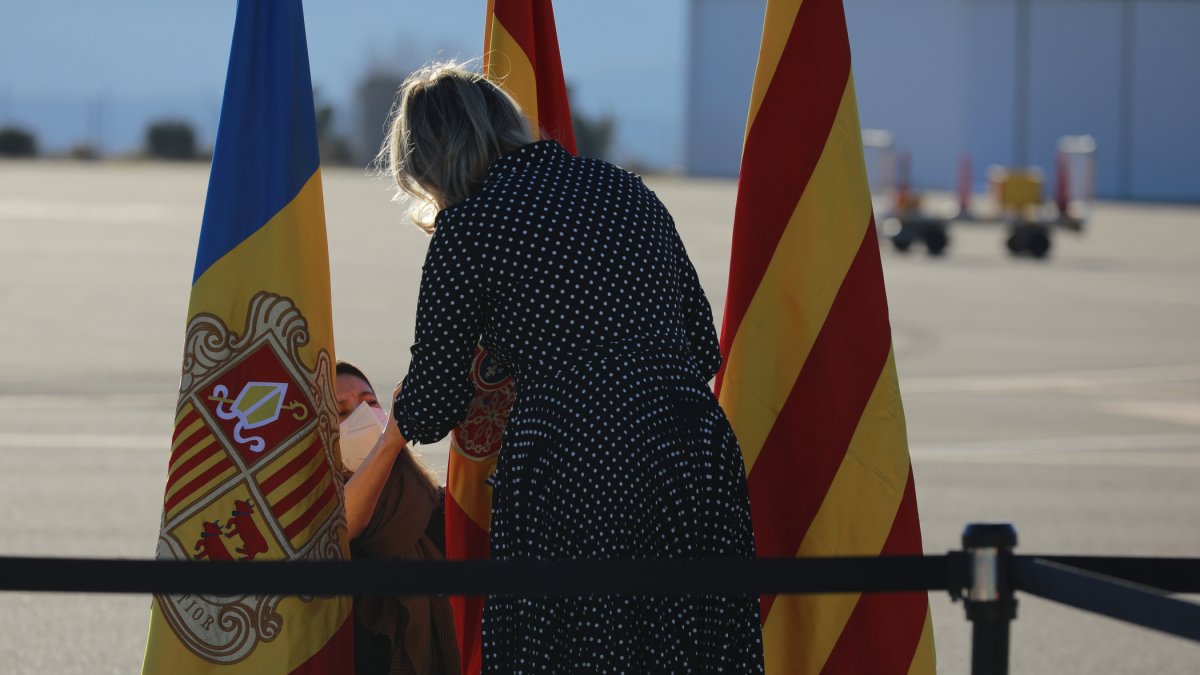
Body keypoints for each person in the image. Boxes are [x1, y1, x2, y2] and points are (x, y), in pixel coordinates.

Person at [371, 61, 765, 672]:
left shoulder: (469, 227)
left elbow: (430, 405)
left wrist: (395, 428)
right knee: (696, 651)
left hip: (573, 462)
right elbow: (701, 345)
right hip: (691, 448)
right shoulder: (625, 187)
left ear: (427, 162)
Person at [336, 360, 460, 675]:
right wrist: (388, 443)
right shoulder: (306, 529)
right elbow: (340, 529)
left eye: (370, 402)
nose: (364, 417)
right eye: (342, 412)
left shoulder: (441, 509)